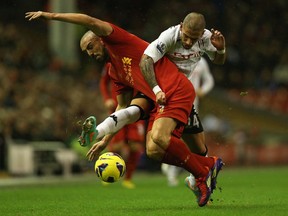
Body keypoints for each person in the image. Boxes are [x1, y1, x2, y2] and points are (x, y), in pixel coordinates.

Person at [25, 11, 223, 207]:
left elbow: (89, 20)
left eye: (90, 46)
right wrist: (105, 140)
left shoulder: (118, 40)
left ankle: (201, 171)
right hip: (158, 99)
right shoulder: (114, 71)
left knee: (164, 139)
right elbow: (121, 107)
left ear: (100, 39)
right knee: (153, 151)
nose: (90, 53)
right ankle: (205, 165)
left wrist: (50, 16)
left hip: (175, 88)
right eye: (86, 51)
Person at [161, 57, 215, 186]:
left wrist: (203, 90)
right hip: (176, 105)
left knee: (195, 142)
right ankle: (176, 173)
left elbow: (209, 80)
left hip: (193, 106)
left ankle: (193, 173)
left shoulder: (201, 61)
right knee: (180, 140)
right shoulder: (174, 56)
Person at [99, 64, 145, 189]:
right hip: (117, 108)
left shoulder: (139, 62)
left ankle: (128, 178)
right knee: (117, 145)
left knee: (135, 146)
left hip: (137, 108)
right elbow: (103, 82)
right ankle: (107, 172)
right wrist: (107, 98)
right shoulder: (111, 63)